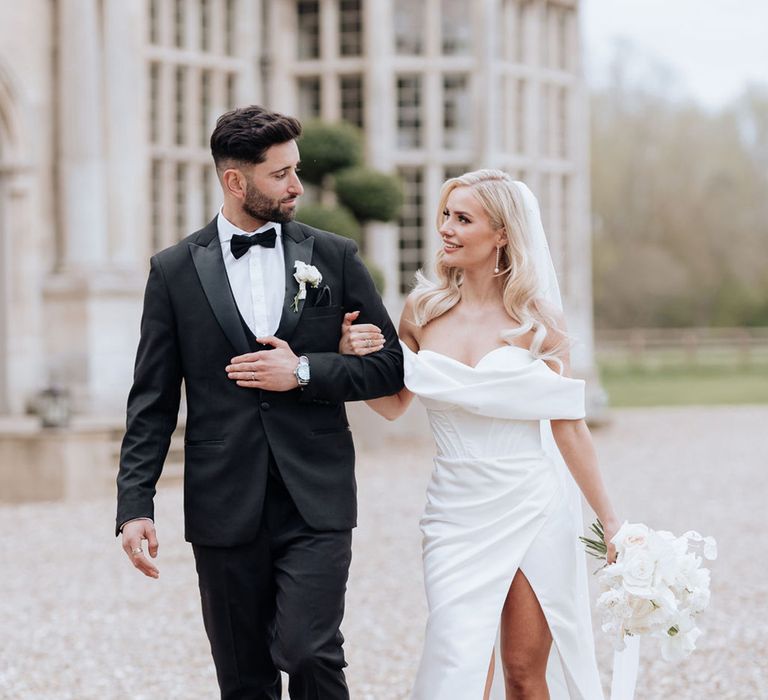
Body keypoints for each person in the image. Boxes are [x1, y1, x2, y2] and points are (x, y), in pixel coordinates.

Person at [116, 105, 404, 700]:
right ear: (234, 180)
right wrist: (135, 505)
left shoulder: (335, 256)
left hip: (316, 494)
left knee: (310, 649)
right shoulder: (172, 271)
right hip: (224, 499)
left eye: (297, 169)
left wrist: (303, 369)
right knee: (244, 677)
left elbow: (390, 368)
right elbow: (152, 398)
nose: (297, 186)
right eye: (281, 175)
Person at [340, 169, 619, 699]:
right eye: (445, 215)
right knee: (456, 661)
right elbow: (395, 406)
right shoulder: (421, 312)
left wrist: (610, 520)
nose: (445, 228)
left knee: (522, 669)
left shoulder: (540, 322)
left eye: (463, 218)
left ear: (502, 234)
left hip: (533, 506)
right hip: (455, 513)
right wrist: (351, 359)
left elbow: (570, 428)